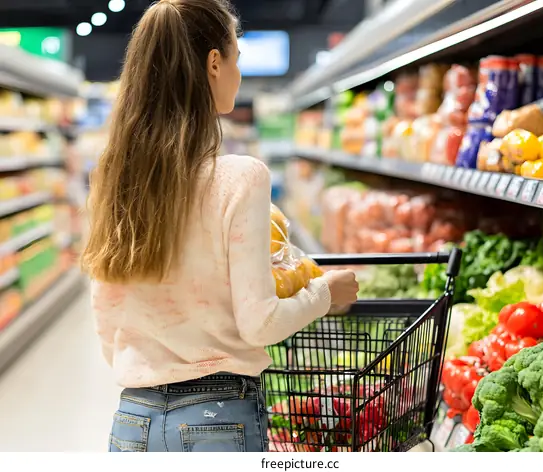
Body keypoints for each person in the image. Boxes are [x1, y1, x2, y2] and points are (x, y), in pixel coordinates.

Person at [81, 0, 358, 453]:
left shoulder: (114, 177)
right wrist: (325, 293)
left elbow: (105, 317)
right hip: (217, 420)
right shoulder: (240, 177)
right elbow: (261, 323)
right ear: (214, 62)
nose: (238, 73)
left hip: (133, 422)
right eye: (237, 58)